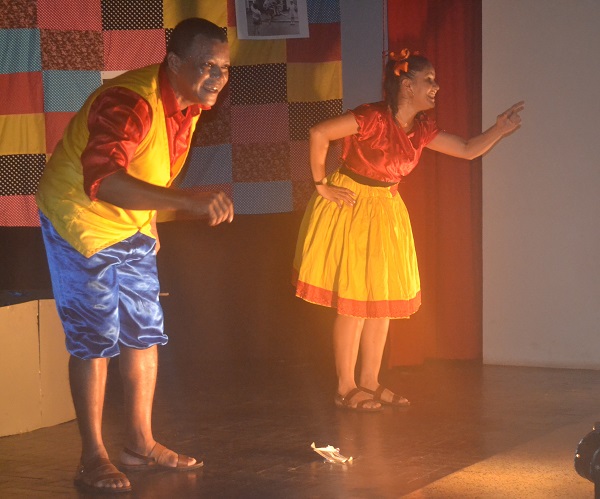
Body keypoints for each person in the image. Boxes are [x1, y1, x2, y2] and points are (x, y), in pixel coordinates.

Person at [35, 18, 234, 493]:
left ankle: (139, 445)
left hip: (129, 220)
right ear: (175, 63)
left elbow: (148, 168)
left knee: (144, 330)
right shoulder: (129, 102)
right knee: (95, 336)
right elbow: (103, 178)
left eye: (224, 69)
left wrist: (150, 222)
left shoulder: (186, 104)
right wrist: (186, 204)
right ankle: (93, 457)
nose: (217, 78)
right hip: (81, 220)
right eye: (208, 66)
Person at [292, 49, 524, 412]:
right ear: (406, 85)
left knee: (380, 302)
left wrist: (499, 130)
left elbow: (466, 149)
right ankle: (345, 386)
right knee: (354, 302)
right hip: (352, 206)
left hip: (386, 210)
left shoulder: (421, 130)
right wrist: (321, 185)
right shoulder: (371, 117)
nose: (436, 86)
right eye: (428, 80)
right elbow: (319, 133)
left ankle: (370, 381)